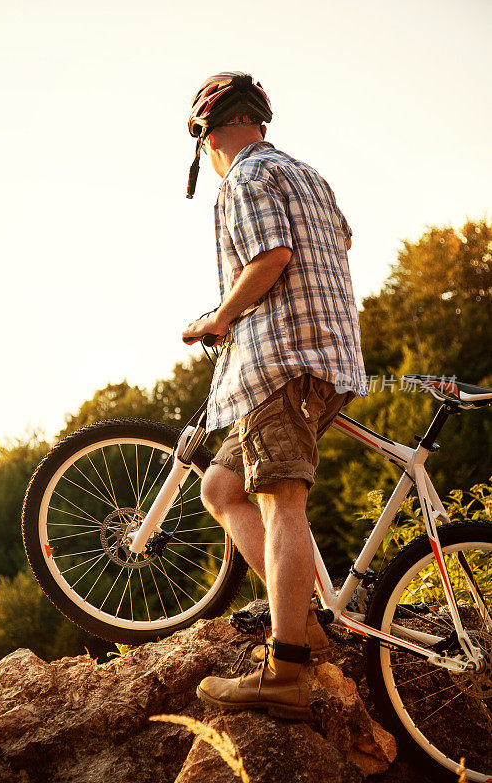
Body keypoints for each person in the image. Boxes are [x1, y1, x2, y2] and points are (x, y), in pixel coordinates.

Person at [182, 72, 367, 720]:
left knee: (278, 499)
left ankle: (285, 672)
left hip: (280, 360)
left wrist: (220, 317)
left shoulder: (242, 179)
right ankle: (304, 621)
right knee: (221, 489)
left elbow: (271, 257)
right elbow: (338, 243)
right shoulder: (308, 176)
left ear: (209, 132)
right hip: (329, 359)